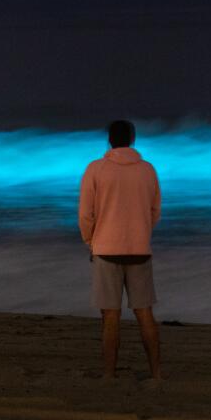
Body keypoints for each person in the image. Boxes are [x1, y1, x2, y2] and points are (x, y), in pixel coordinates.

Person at [78, 119, 162, 380]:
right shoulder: (148, 170)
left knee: (110, 316)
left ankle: (108, 375)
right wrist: (141, 233)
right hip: (139, 248)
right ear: (132, 139)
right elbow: (155, 210)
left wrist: (90, 241)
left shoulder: (96, 169)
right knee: (144, 313)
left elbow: (85, 214)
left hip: (106, 249)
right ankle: (156, 374)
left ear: (109, 140)